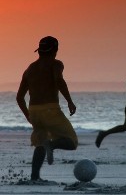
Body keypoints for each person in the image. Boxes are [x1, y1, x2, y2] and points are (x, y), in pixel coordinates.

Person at [16, 36, 78, 181]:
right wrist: (70, 101)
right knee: (71, 142)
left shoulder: (29, 69)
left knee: (40, 142)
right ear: (55, 50)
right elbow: (59, 80)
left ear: (39, 51)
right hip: (50, 110)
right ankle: (51, 145)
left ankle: (34, 177)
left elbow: (19, 98)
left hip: (34, 111)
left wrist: (29, 116)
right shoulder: (56, 64)